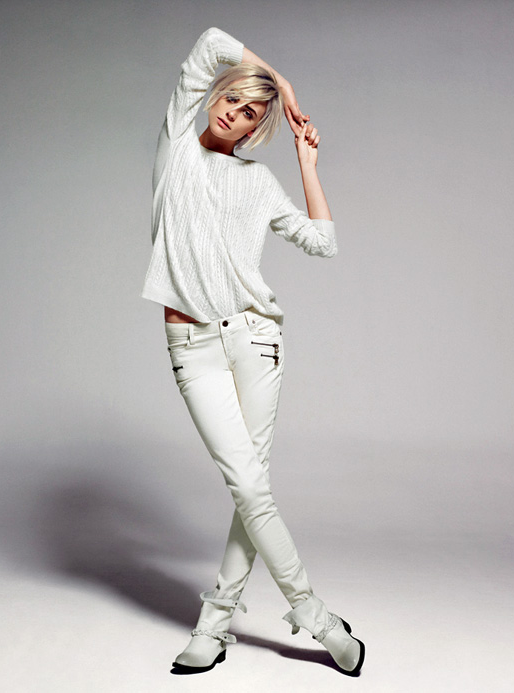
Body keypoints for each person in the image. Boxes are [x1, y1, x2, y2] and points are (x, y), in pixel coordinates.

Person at [141, 26, 365, 677]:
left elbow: (322, 242)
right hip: (193, 345)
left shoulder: (258, 181)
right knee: (248, 483)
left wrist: (307, 164)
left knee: (251, 485)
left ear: (253, 130)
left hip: (256, 340)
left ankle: (215, 623)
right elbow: (212, 40)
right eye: (232, 99)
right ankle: (315, 616)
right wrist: (282, 84)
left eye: (249, 113)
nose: (234, 113)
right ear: (214, 96)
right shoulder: (176, 150)